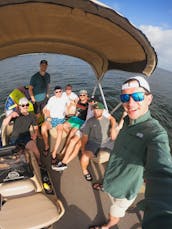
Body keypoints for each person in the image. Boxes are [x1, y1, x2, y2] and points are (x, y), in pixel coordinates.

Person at [89, 76, 172, 229]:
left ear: (149, 99)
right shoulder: (127, 121)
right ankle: (104, 185)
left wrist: (162, 218)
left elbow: (163, 174)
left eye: (138, 96)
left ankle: (107, 226)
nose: (130, 103)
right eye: (125, 97)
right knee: (106, 186)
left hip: (124, 190)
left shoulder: (155, 133)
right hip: (111, 176)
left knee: (114, 214)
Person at [80, 102, 120, 181]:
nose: (96, 112)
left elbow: (114, 122)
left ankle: (115, 174)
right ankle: (85, 171)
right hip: (94, 142)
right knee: (85, 156)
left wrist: (113, 129)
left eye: (98, 110)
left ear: (102, 111)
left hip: (107, 141)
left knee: (120, 154)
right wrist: (83, 149)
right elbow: (85, 137)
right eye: (94, 110)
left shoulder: (107, 120)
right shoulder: (90, 121)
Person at [2, 97, 40, 164]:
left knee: (37, 153)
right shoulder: (16, 114)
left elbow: (36, 127)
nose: (25, 107)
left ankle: (39, 165)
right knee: (18, 157)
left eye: (27, 105)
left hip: (26, 138)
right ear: (19, 106)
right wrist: (10, 115)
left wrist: (35, 134)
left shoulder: (31, 115)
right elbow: (4, 123)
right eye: (23, 105)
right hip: (15, 138)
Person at [41, 86, 70, 156]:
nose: (58, 93)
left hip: (60, 119)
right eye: (57, 92)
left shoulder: (65, 98)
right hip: (52, 118)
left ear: (62, 91)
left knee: (60, 131)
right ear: (54, 93)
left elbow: (69, 104)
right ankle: (46, 145)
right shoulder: (52, 99)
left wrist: (67, 110)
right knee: (43, 127)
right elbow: (47, 110)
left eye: (60, 91)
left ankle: (54, 151)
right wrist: (48, 117)